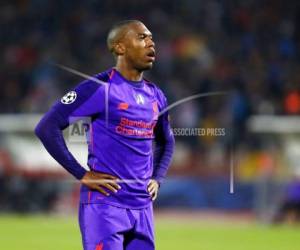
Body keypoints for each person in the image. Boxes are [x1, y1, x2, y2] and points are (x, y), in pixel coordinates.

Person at [35, 20, 175, 250]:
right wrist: (82, 174)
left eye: (151, 38)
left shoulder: (156, 95)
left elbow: (166, 141)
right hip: (105, 207)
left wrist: (157, 178)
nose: (151, 43)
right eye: (142, 37)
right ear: (120, 47)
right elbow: (47, 127)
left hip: (143, 209)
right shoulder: (99, 87)